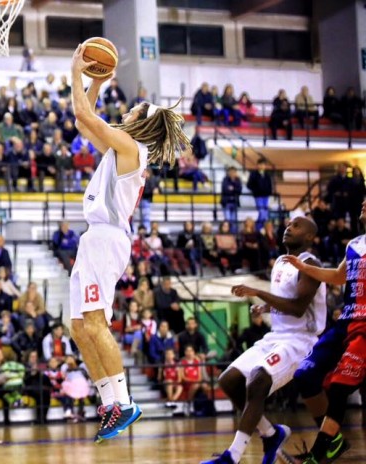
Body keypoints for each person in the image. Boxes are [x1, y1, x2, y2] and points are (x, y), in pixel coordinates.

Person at [68, 44, 190, 443]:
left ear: (141, 123)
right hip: (96, 239)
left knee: (95, 322)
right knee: (78, 327)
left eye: (134, 110)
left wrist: (76, 72)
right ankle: (108, 402)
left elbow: (85, 116)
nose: (127, 112)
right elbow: (83, 123)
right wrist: (97, 84)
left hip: (105, 239)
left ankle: (123, 400)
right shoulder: (121, 150)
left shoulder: (131, 148)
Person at [201, 217, 326, 464]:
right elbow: (285, 299)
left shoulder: (311, 264)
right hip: (276, 337)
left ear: (310, 237)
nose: (289, 228)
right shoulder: (280, 262)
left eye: (297, 226)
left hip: (300, 342)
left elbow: (299, 307)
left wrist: (258, 292)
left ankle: (232, 456)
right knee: (229, 380)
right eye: (288, 224)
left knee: (257, 381)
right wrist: (266, 307)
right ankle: (271, 434)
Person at [280, 200, 366, 463]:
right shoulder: (355, 244)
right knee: (305, 373)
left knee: (340, 387)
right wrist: (306, 269)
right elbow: (340, 276)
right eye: (361, 202)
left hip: (364, 327)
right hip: (346, 322)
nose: (362, 204)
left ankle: (318, 455)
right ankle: (333, 443)